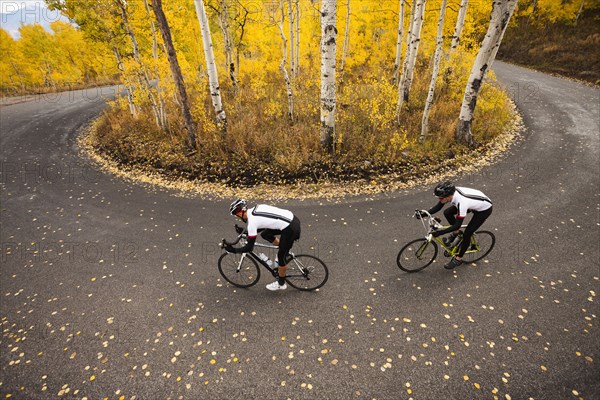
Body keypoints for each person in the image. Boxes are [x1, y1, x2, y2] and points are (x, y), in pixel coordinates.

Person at [225, 199, 301, 291]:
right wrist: (246, 232)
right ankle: (284, 249)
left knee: (281, 256)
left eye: (236, 216)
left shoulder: (252, 223)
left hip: (290, 229)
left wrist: (234, 250)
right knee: (266, 234)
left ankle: (281, 283)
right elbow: (264, 223)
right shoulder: (257, 208)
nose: (237, 218)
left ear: (240, 212)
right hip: (292, 219)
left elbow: (249, 248)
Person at [416, 181, 493, 270]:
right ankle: (457, 234)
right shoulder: (450, 194)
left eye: (441, 198)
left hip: (484, 209)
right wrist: (423, 214)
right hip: (474, 203)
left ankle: (458, 259)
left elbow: (457, 224)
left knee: (467, 233)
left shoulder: (462, 202)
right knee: (447, 212)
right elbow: (439, 207)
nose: (439, 200)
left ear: (448, 196)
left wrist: (440, 232)